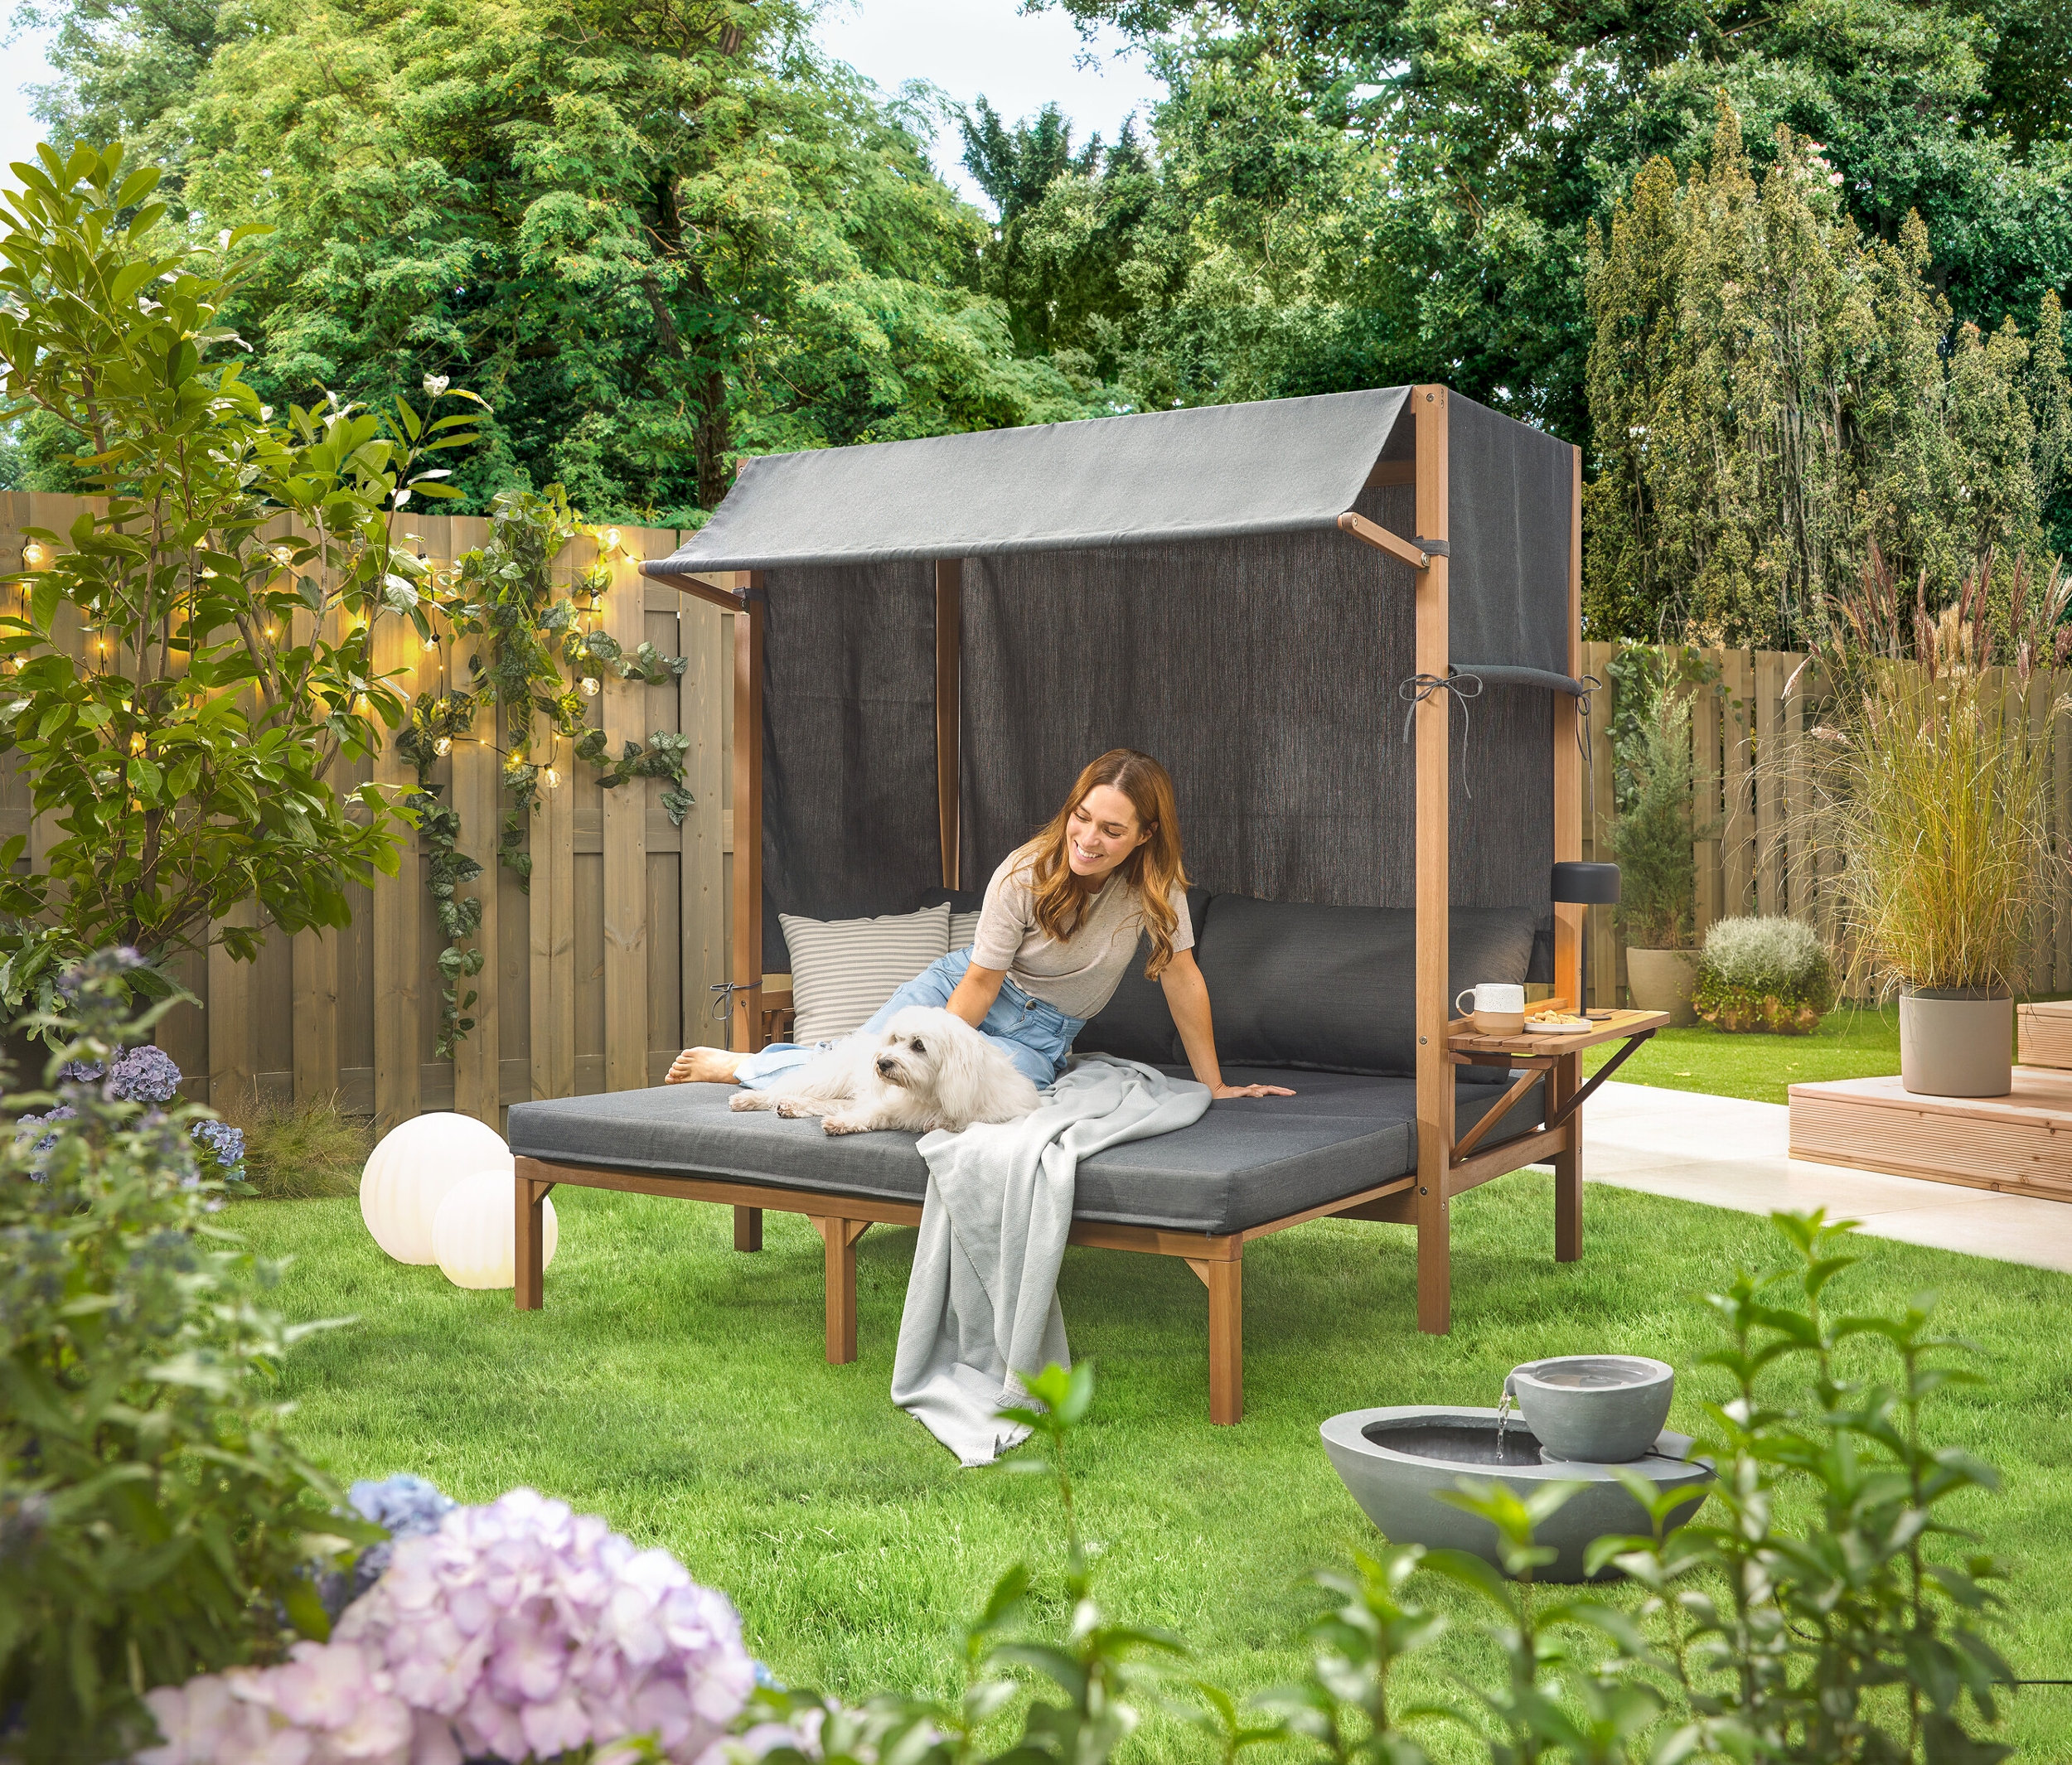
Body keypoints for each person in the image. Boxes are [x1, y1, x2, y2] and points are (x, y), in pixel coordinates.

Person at [667, 748, 1295, 1101]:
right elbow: (980, 984)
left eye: (1112, 830)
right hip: (961, 991)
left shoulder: (1156, 889)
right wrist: (931, 1050)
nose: (1088, 839)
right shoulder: (1025, 873)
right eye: (1082, 818)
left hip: (1043, 1033)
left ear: (1145, 836)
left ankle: (766, 1069)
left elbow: (1182, 976)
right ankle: (744, 1067)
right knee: (870, 1063)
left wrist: (1214, 1086)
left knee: (984, 1098)